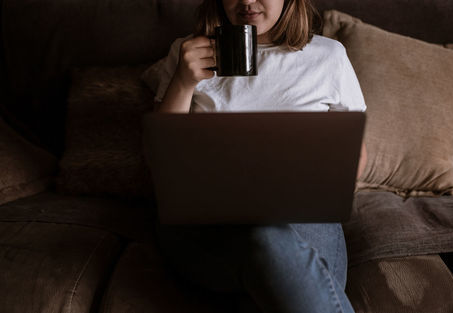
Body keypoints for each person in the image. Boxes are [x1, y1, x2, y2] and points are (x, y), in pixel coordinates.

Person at [142, 0, 367, 312]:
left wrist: (326, 185)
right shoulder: (186, 54)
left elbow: (356, 154)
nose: (247, 0)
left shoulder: (328, 56)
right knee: (264, 241)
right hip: (206, 228)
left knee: (270, 244)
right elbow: (159, 160)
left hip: (304, 220)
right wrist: (183, 81)